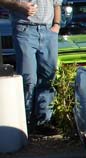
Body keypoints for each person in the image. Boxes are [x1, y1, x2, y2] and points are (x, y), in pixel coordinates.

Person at [0, 0, 62, 131]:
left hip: (48, 30)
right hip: (25, 29)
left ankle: (43, 120)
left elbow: (57, 3)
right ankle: (24, 122)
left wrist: (56, 25)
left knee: (48, 76)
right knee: (28, 78)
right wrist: (19, 5)